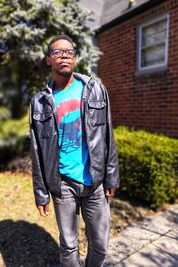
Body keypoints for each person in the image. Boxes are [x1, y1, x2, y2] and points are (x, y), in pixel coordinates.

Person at [29, 35, 119, 267]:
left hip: (95, 181)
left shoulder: (95, 89)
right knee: (69, 246)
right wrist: (41, 192)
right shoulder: (39, 102)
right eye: (58, 52)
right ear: (49, 59)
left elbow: (108, 133)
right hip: (63, 183)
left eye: (69, 52)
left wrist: (112, 175)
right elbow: (37, 149)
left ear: (75, 58)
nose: (64, 56)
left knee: (100, 244)